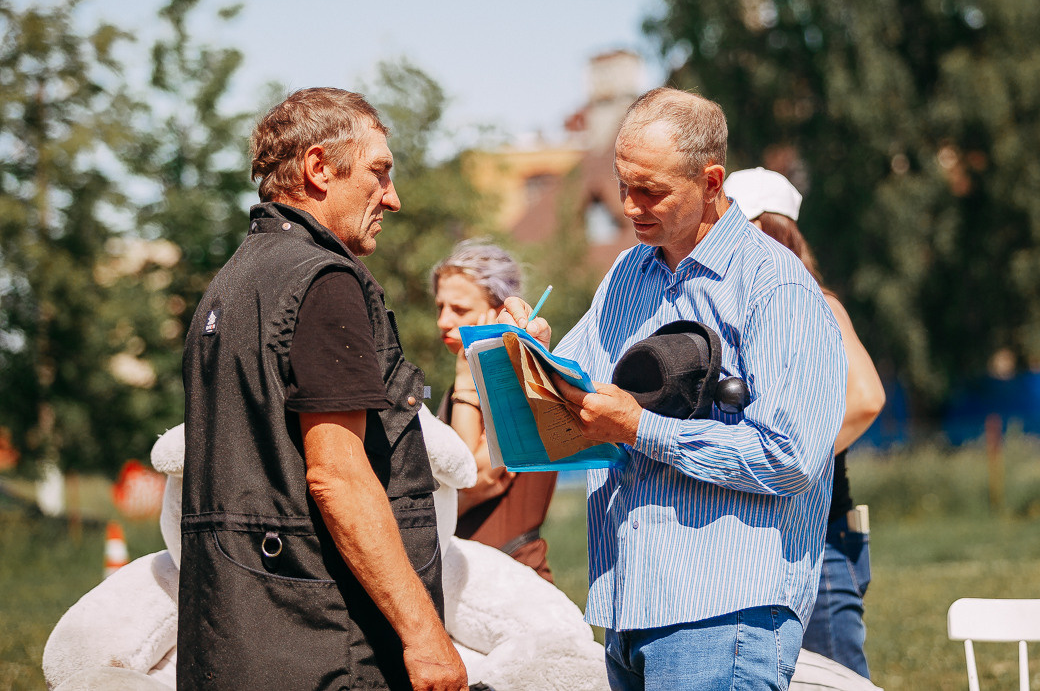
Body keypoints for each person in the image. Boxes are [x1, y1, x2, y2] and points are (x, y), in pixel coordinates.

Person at [502, 87, 847, 691]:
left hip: (726, 612)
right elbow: (578, 390)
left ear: (711, 182)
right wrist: (530, 352)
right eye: (622, 184)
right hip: (629, 604)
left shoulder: (775, 286)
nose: (628, 206)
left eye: (650, 190)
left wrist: (641, 428)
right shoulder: (628, 273)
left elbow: (792, 456)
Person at [179, 88, 467, 691]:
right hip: (324, 648)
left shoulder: (229, 284)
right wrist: (426, 638)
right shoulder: (324, 279)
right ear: (318, 168)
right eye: (378, 171)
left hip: (229, 642)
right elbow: (338, 477)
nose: (392, 196)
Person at [724, 167, 886, 681]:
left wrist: (782, 461)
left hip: (818, 540)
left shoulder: (817, 304)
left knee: (837, 681)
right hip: (764, 542)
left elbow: (866, 399)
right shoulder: (751, 311)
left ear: (764, 231)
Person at [431, 240, 558, 582]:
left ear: (499, 312)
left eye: (459, 310)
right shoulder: (464, 387)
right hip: (471, 582)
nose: (443, 321)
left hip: (515, 582)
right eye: (440, 306)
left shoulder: (522, 383)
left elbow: (469, 477)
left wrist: (465, 378)